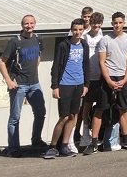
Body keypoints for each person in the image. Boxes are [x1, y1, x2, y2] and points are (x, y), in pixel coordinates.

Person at [83, 12, 127, 154]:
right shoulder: (105, 39)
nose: (117, 25)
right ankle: (93, 142)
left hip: (122, 78)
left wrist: (124, 79)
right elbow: (101, 62)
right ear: (112, 23)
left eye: (120, 22)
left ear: (124, 23)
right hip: (107, 79)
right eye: (115, 22)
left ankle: (125, 139)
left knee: (123, 109)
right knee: (100, 109)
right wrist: (109, 81)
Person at [0, 14, 47, 158]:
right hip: (19, 85)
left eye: (31, 23)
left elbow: (39, 56)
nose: (29, 26)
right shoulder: (15, 41)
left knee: (40, 112)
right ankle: (13, 148)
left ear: (35, 24)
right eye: (26, 23)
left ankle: (36, 140)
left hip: (34, 83)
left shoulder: (38, 39)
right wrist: (8, 80)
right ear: (22, 25)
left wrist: (34, 70)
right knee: (15, 117)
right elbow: (1, 61)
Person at [45, 19, 89, 159]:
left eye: (80, 30)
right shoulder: (64, 45)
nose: (78, 32)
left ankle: (64, 145)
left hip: (79, 84)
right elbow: (56, 66)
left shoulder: (84, 44)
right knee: (64, 116)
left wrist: (86, 84)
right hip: (65, 84)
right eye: (75, 29)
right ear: (71, 30)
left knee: (73, 116)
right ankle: (53, 146)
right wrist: (55, 86)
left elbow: (86, 65)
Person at [77, 12, 105, 149]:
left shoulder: (103, 37)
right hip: (87, 77)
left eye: (98, 24)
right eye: (94, 24)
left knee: (100, 107)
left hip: (100, 76)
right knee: (86, 106)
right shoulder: (84, 37)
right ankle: (85, 132)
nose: (96, 26)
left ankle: (96, 135)